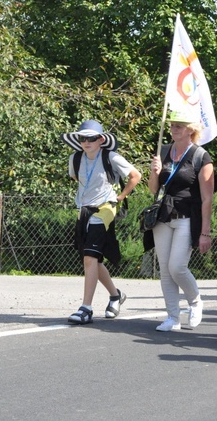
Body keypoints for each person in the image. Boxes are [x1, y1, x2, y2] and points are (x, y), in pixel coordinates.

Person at [62, 120, 141, 324]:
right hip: (84, 210)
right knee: (93, 261)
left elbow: (135, 175)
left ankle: (85, 308)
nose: (86, 142)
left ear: (101, 139)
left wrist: (121, 196)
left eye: (91, 138)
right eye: (82, 138)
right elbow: (76, 178)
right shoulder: (75, 158)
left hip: (105, 209)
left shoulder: (111, 157)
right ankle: (116, 296)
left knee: (89, 258)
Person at [148, 109, 214, 332]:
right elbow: (153, 190)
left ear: (190, 130)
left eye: (179, 125)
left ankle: (195, 301)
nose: (174, 129)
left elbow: (207, 198)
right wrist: (154, 172)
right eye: (172, 125)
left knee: (177, 267)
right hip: (163, 216)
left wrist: (205, 232)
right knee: (165, 269)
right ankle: (172, 317)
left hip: (187, 217)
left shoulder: (200, 156)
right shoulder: (163, 151)